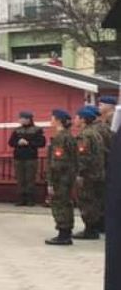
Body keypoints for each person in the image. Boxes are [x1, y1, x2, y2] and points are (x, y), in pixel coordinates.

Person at [74, 105, 106, 239]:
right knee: (96, 200)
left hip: (88, 174)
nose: (75, 120)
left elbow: (83, 156)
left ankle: (90, 230)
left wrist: (79, 173)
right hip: (98, 172)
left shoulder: (85, 134)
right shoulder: (95, 132)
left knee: (87, 201)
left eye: (77, 117)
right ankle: (96, 227)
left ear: (83, 119)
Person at [46, 109, 77, 246]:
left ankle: (63, 234)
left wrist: (51, 182)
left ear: (58, 120)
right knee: (66, 203)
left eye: (52, 117)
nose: (51, 120)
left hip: (61, 178)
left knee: (60, 204)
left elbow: (57, 162)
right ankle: (66, 233)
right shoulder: (68, 136)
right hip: (67, 176)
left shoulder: (61, 137)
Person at [9, 111, 46, 206]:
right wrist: (18, 142)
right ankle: (21, 199)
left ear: (28, 119)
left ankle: (30, 199)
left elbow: (42, 143)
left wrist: (28, 143)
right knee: (20, 179)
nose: (20, 120)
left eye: (22, 118)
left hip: (31, 158)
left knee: (30, 179)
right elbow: (11, 142)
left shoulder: (37, 130)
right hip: (18, 157)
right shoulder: (16, 130)